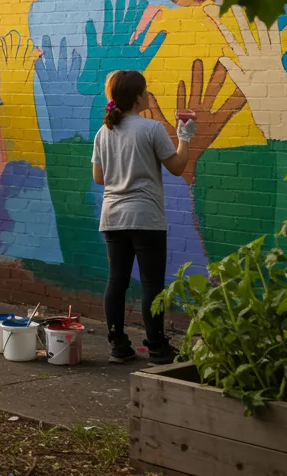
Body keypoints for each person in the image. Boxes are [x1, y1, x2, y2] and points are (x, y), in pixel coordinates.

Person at [91, 69, 194, 365]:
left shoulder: (103, 132)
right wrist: (184, 137)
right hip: (145, 217)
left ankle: (118, 346)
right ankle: (157, 347)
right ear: (138, 97)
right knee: (151, 284)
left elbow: (99, 177)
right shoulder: (152, 129)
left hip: (113, 217)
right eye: (146, 90)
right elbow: (177, 167)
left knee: (116, 282)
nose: (149, 94)